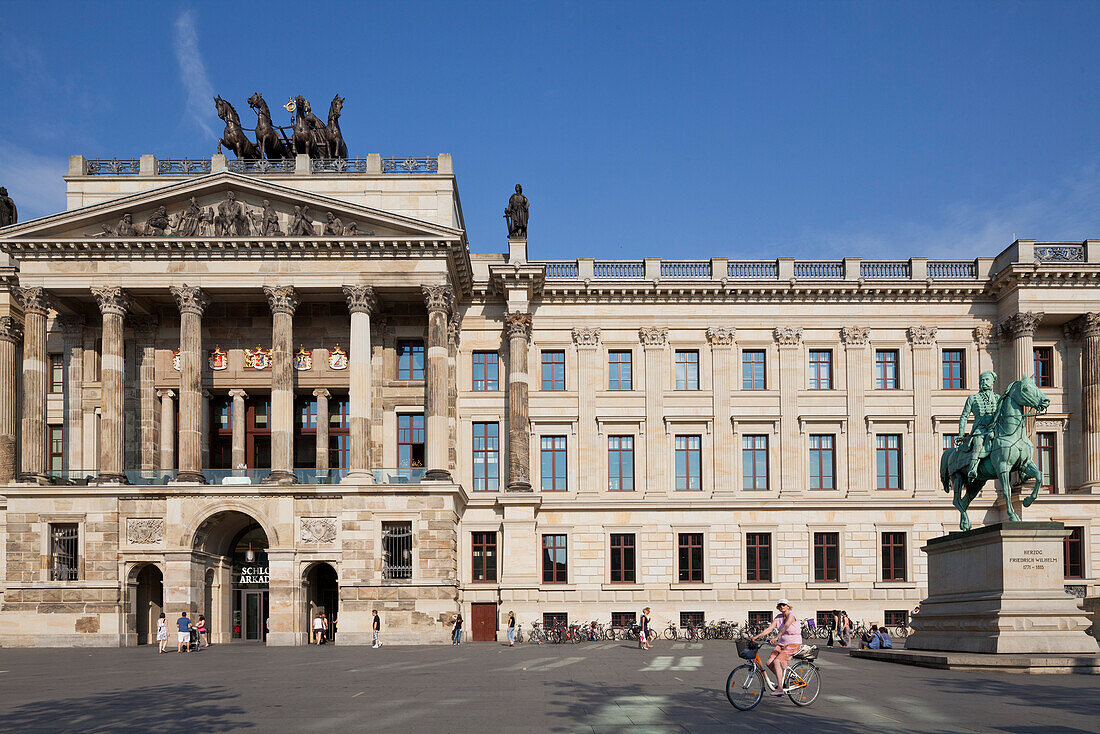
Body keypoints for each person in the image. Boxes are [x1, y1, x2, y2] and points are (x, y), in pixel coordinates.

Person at [752, 599, 802, 696]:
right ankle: (783, 679)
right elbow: (770, 628)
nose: (781, 607)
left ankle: (780, 688)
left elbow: (786, 626)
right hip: (782, 644)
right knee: (769, 662)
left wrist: (777, 637)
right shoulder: (778, 617)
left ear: (788, 606)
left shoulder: (792, 615)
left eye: (783, 605)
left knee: (777, 661)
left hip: (793, 644)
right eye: (780, 605)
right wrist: (756, 637)